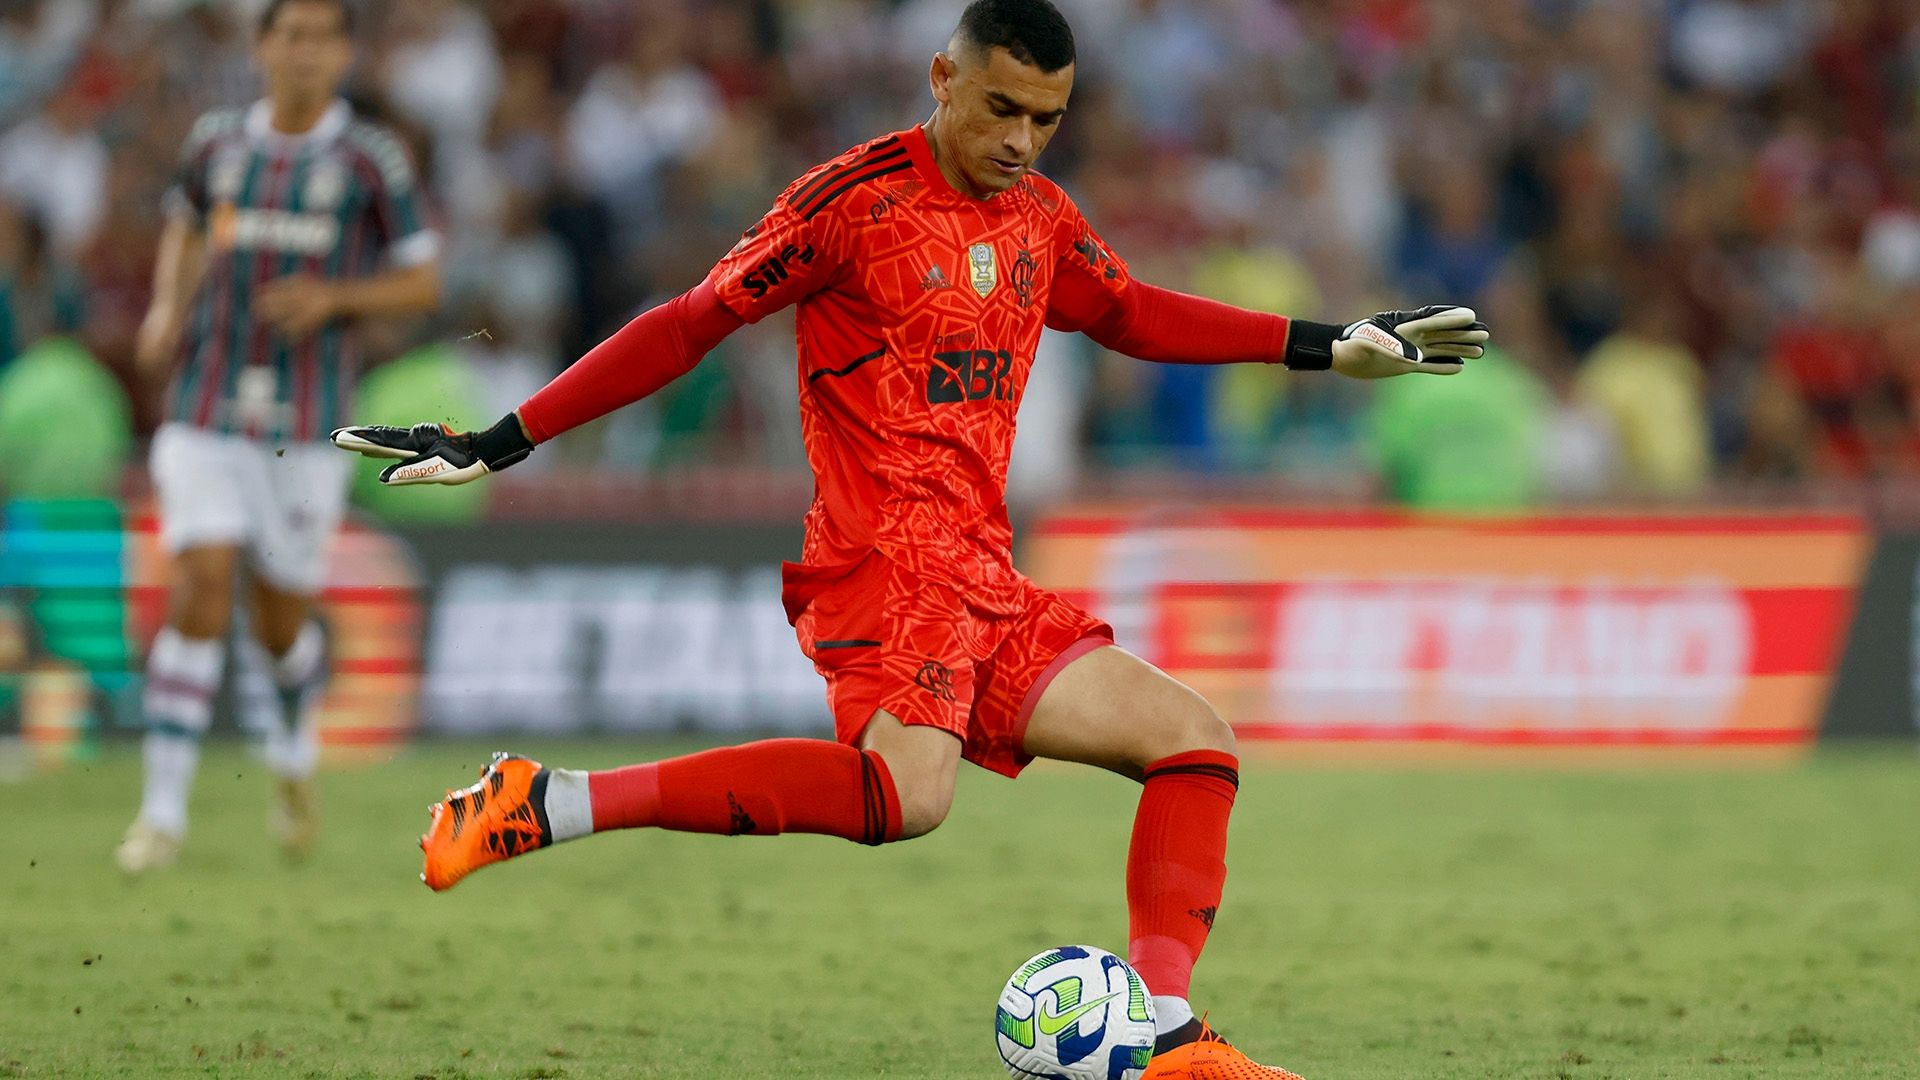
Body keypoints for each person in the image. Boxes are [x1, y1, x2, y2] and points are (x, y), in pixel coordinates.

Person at [335, 3, 1484, 1076]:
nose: (1023, 140)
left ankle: (1167, 1028)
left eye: (1047, 119)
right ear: (944, 79)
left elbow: (1129, 311)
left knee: (1195, 743)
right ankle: (553, 801)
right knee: (912, 797)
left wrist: (1328, 344)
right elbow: (689, 324)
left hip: (982, 563)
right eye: (1001, 109)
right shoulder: (851, 204)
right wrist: (501, 438)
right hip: (884, 556)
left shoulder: (1038, 220)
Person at [117, 0, 441, 873]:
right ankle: (161, 815)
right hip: (205, 406)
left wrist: (336, 300)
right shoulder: (216, 144)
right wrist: (164, 310)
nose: (303, 52)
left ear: (342, 53)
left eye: (320, 37)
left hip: (303, 421)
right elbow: (186, 228)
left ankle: (293, 752)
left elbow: (421, 282)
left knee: (278, 625)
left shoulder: (370, 160)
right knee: (201, 584)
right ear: (262, 47)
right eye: (287, 35)